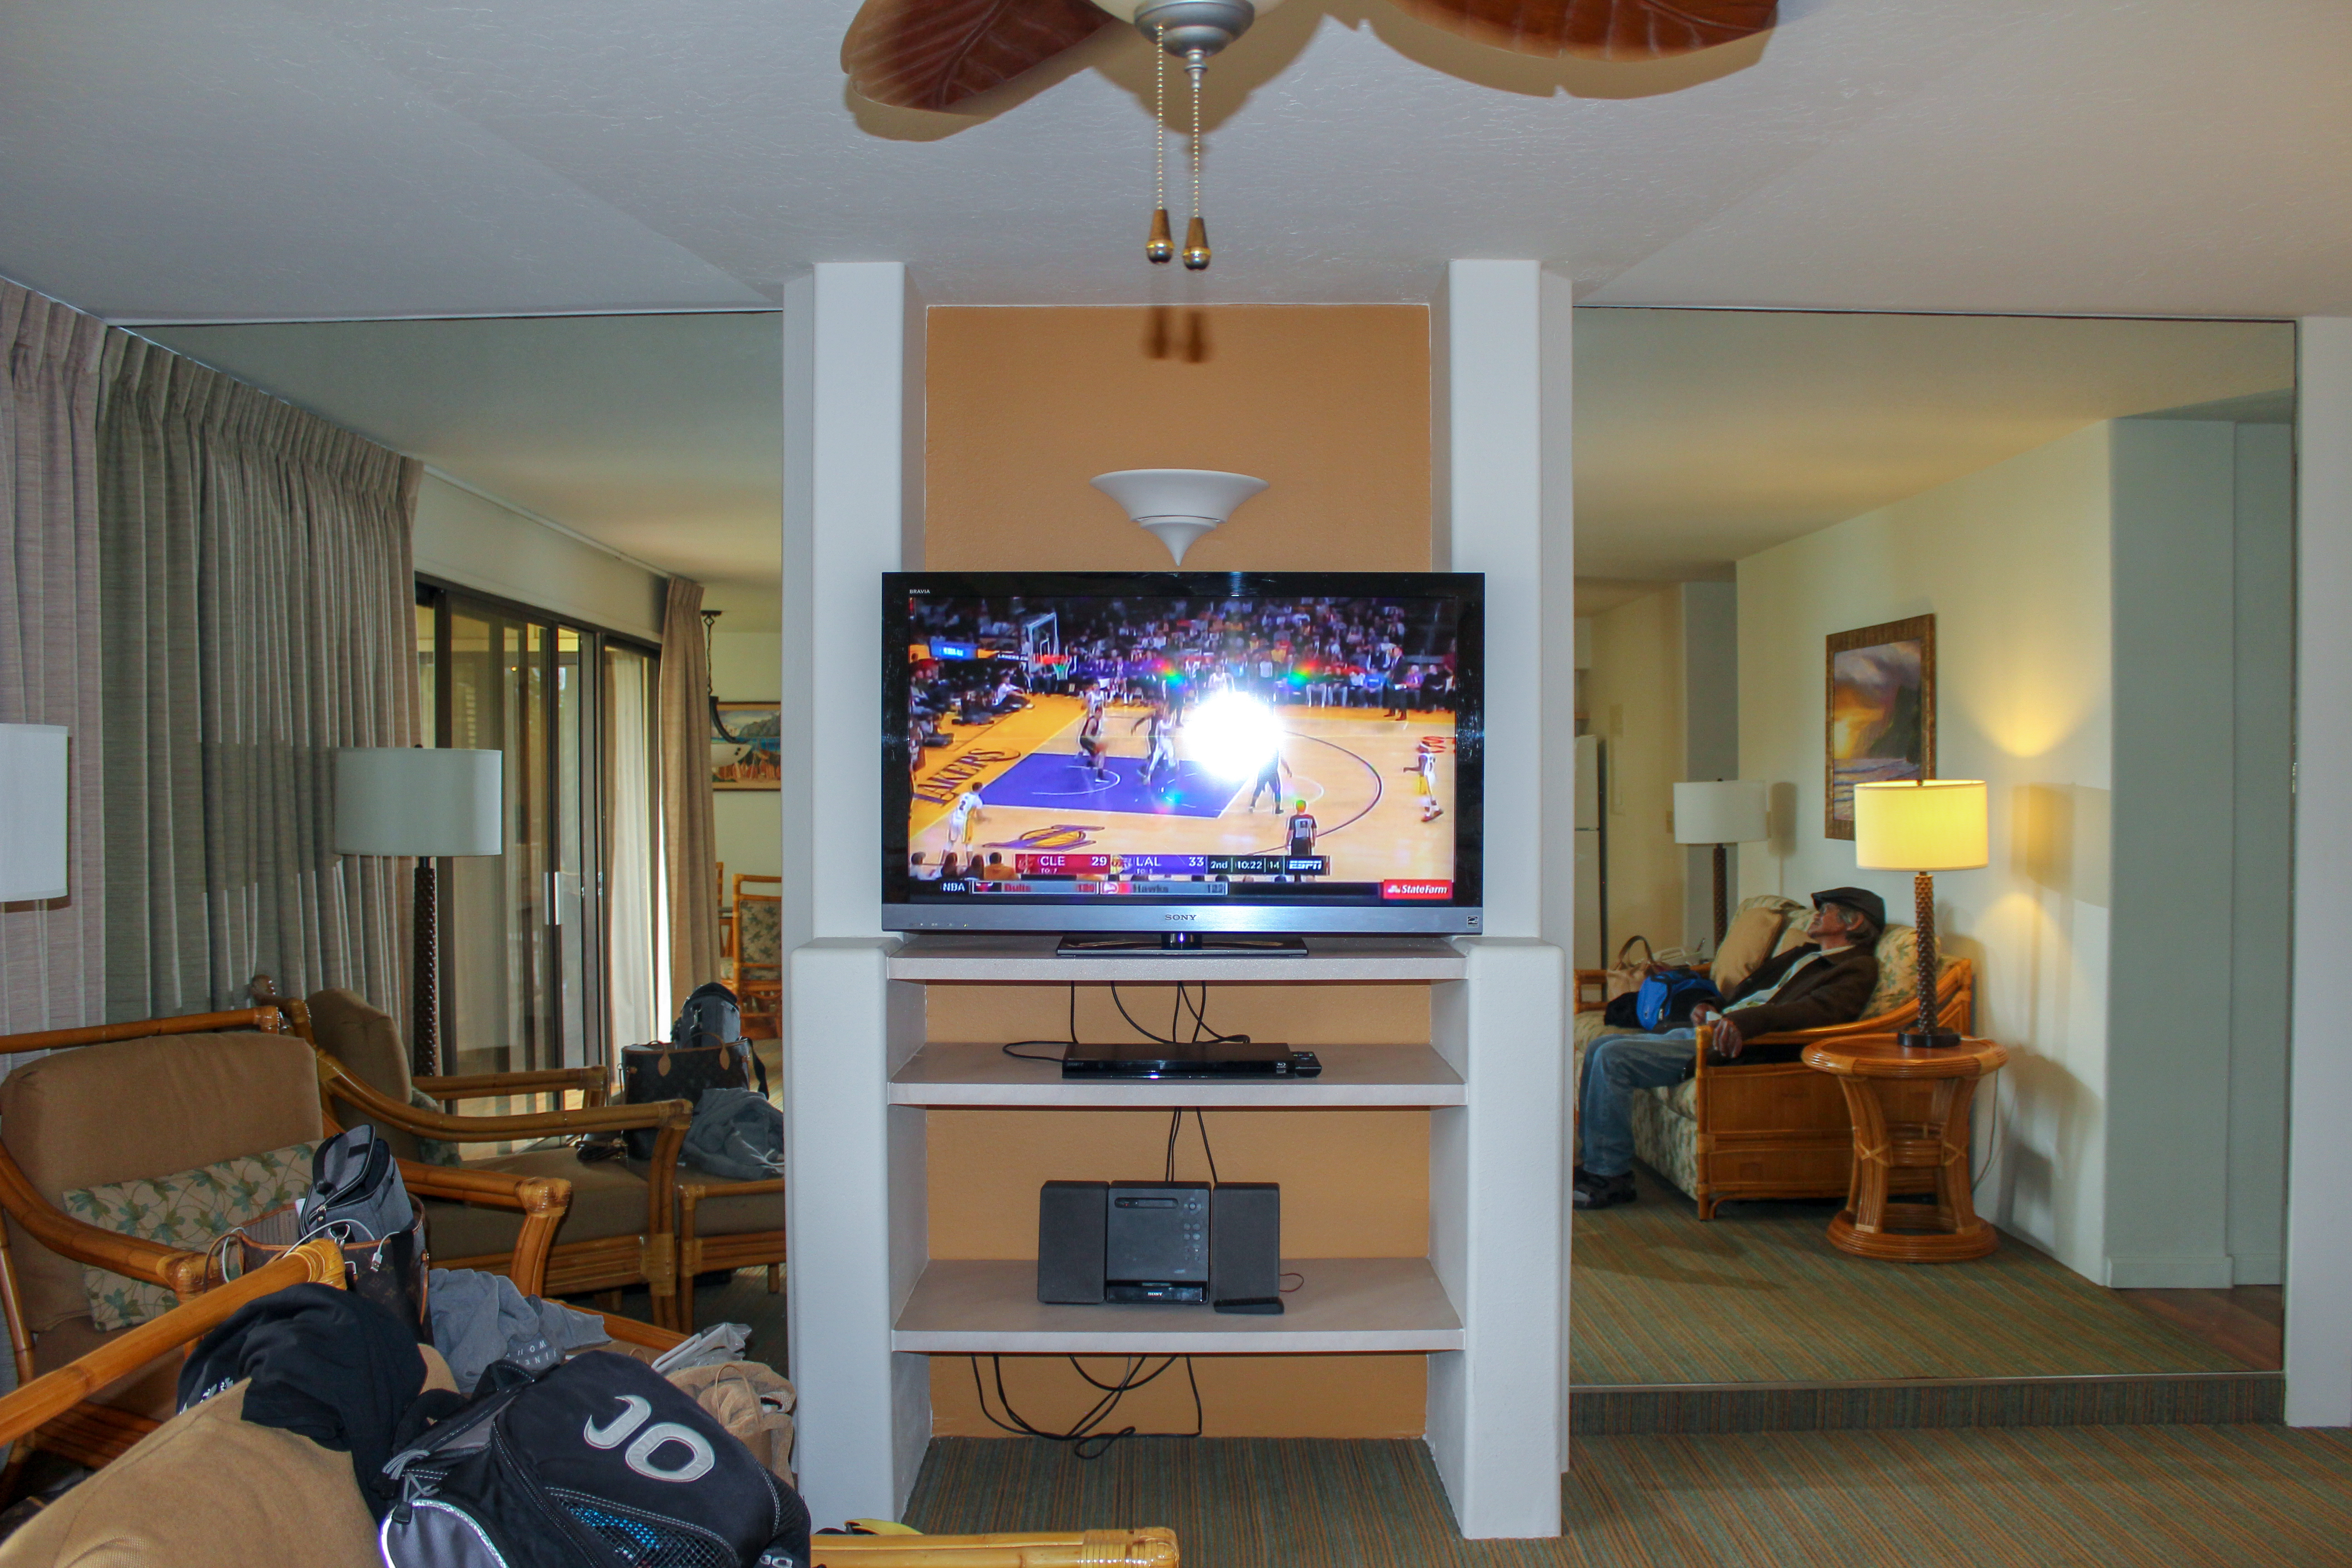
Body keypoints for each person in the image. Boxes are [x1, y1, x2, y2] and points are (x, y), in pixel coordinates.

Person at [1572, 887, 1886, 1211]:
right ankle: (1597, 1163)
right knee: (1601, 1045)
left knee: (1614, 1057)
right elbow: (1751, 992)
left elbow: (1817, 1012)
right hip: (1716, 1026)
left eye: (1828, 910)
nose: (1817, 914)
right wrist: (1708, 1005)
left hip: (1741, 1045)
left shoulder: (1855, 968)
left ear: (1854, 922)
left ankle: (1611, 1176)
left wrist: (1744, 1022)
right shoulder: (1806, 953)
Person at [1403, 738, 1443, 822]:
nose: (1419, 748)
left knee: (1426, 797)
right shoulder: (1432, 755)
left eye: (1420, 747)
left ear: (1424, 748)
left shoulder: (1422, 757)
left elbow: (1421, 769)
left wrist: (1409, 769)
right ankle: (1437, 809)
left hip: (1426, 777)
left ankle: (1428, 815)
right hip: (1432, 775)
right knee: (1430, 795)